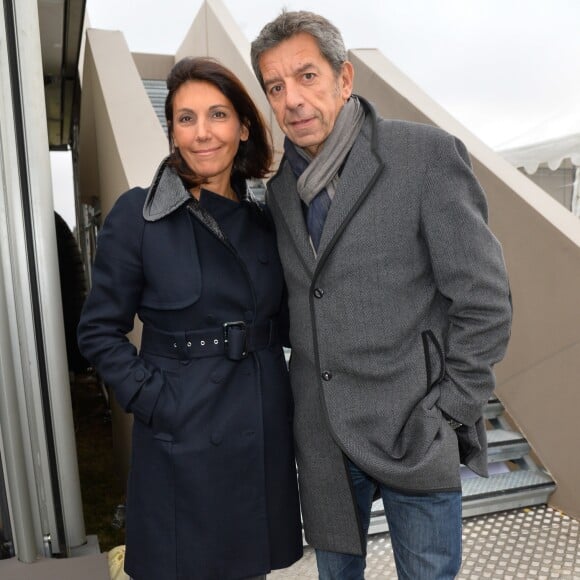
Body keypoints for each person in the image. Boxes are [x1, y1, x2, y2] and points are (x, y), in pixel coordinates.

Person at [251, 11, 513, 580]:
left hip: (413, 427)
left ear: (344, 79)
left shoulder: (423, 156)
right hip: (322, 436)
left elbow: (486, 301)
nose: (292, 99)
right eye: (276, 86)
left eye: (307, 77)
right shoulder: (277, 193)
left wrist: (449, 410)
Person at [77, 56, 303, 580]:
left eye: (218, 115)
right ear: (172, 130)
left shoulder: (265, 220)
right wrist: (155, 399)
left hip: (259, 426)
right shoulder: (140, 214)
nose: (202, 133)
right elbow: (97, 331)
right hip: (182, 430)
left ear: (244, 127)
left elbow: (297, 318)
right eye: (185, 118)